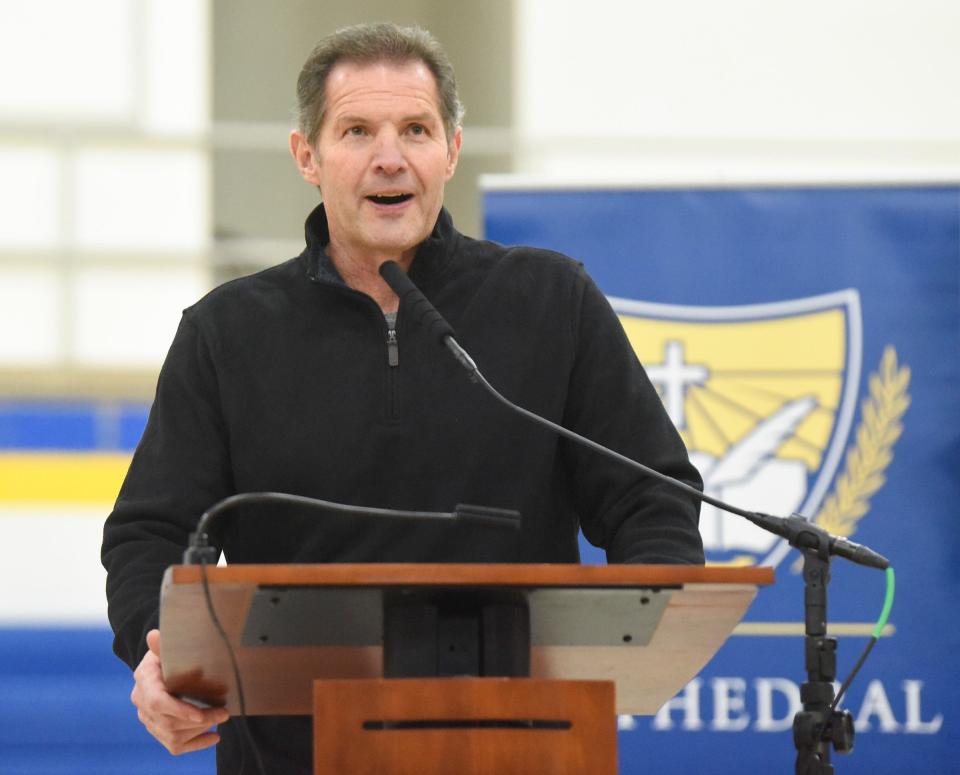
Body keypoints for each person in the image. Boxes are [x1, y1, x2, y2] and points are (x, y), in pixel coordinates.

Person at [101, 22, 704, 774]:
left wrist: (643, 625)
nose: (390, 156)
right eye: (356, 130)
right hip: (294, 755)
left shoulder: (552, 300)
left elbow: (652, 499)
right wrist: (160, 656)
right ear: (307, 157)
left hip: (524, 748)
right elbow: (149, 534)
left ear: (451, 149)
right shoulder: (227, 331)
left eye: (415, 129)